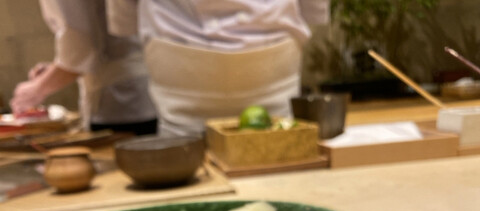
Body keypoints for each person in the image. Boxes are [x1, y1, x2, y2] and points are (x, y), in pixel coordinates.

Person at [135, 0, 330, 136]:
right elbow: (313, 11)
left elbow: (125, 18)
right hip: (179, 68)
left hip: (176, 38)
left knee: (278, 151)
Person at [10, 0, 158, 135]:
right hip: (130, 92)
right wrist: (53, 71)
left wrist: (36, 89)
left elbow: (81, 51)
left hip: (120, 101)